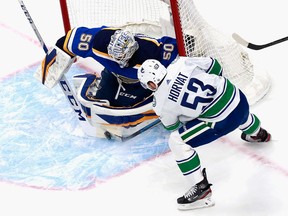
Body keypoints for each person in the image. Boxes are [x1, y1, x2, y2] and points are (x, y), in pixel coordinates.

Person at [137, 56, 271, 210]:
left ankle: (200, 189)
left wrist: (188, 112)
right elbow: (215, 67)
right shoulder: (180, 62)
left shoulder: (159, 103)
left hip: (223, 120)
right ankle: (256, 132)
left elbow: (173, 126)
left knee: (176, 140)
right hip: (239, 98)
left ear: (151, 83)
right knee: (229, 102)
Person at [53, 26, 179, 107]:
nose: (117, 60)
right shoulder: (99, 41)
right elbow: (65, 42)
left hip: (141, 82)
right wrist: (52, 72)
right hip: (114, 75)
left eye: (120, 57)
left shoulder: (154, 54)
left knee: (127, 106)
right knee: (102, 103)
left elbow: (179, 49)